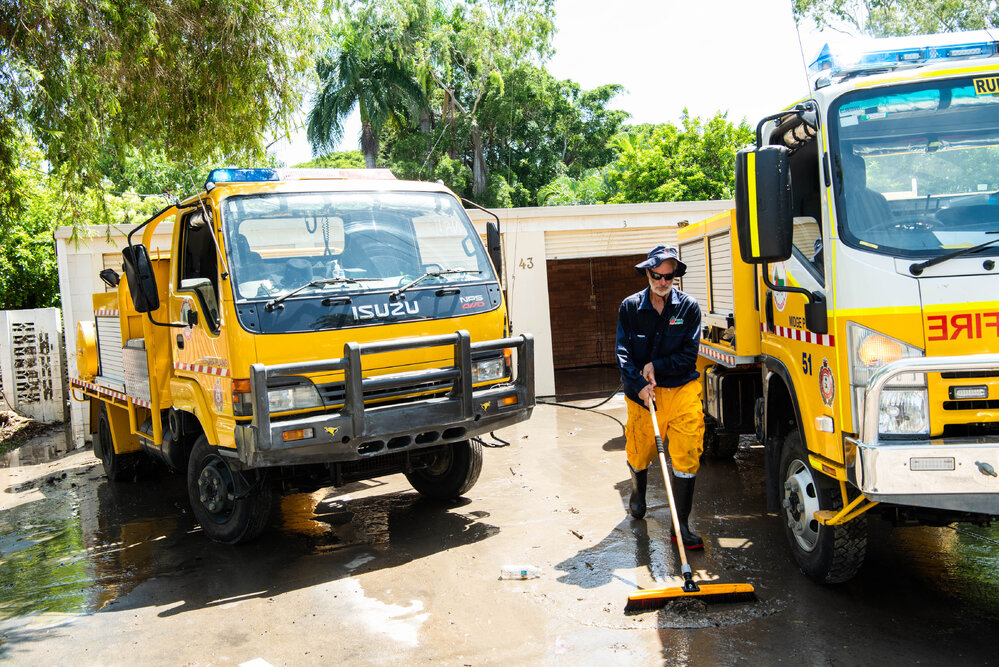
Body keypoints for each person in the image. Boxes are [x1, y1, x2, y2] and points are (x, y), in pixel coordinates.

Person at [616, 244, 706, 549]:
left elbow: (689, 355)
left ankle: (680, 528)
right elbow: (623, 354)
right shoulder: (629, 308)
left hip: (681, 391)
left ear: (675, 276)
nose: (663, 281)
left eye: (669, 276)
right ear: (648, 273)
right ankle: (638, 493)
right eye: (657, 275)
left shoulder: (689, 308)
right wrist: (639, 382)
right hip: (642, 396)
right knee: (640, 452)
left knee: (686, 453)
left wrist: (657, 365)